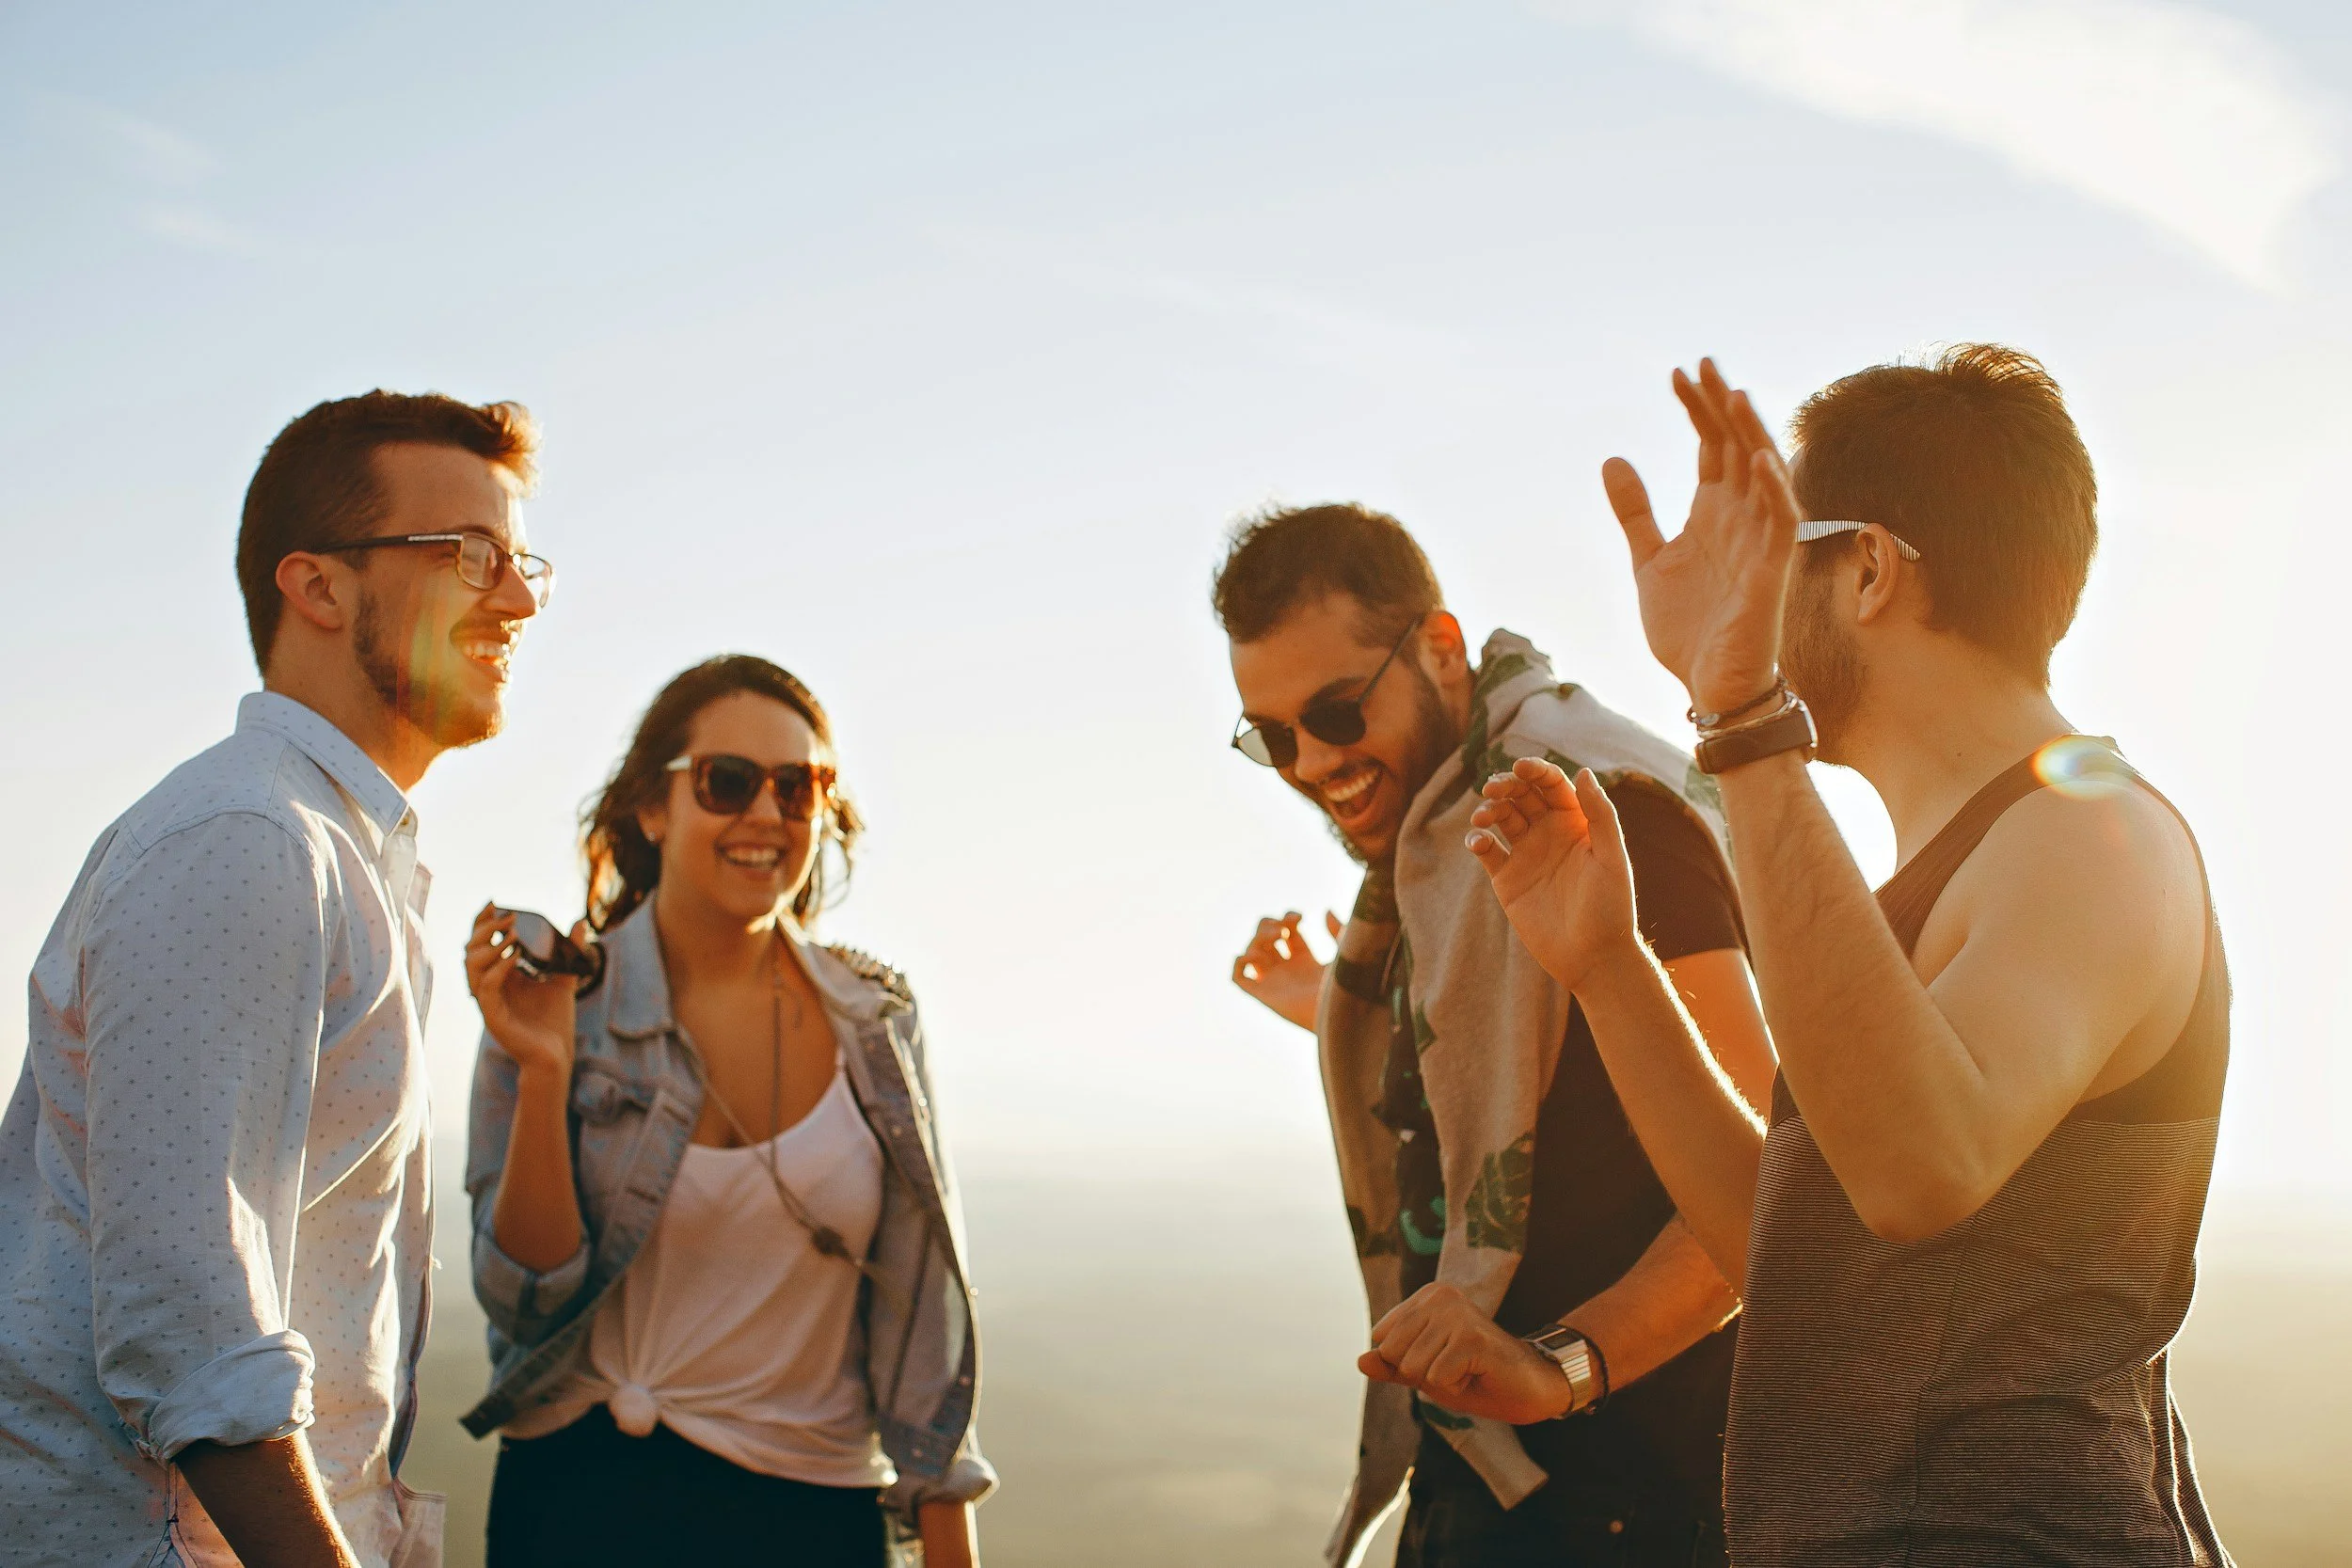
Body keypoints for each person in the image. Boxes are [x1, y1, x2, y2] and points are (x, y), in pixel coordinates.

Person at [1443, 348, 2233, 1564]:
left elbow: (1920, 1170)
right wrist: (1607, 961)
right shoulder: (1950, 871)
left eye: (1780, 551)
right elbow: (1798, 1250)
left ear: (1866, 567)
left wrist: (1743, 712)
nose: (1744, 594)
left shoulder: (2092, 830)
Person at [0, 392, 548, 1568]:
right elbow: (196, 1338)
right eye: (471, 555)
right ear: (319, 585)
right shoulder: (250, 838)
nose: (517, 597)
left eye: (520, 560)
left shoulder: (338, 851)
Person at [1216, 505, 1775, 1568]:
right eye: (1271, 735)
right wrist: (1342, 1008)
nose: (1308, 762)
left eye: (1334, 712)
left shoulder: (1598, 812)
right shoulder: (1438, 849)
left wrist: (1558, 1366)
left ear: (1436, 646)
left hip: (1634, 1497)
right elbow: (1534, 1080)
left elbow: (1761, 1182)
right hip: (1487, 1480)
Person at [460, 655, 992, 1568]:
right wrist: (544, 1070)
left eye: (799, 786)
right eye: (729, 781)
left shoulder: (877, 1023)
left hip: (812, 1517)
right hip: (577, 1507)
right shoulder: (557, 1002)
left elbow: (922, 1334)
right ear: (652, 806)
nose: (765, 814)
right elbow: (523, 1298)